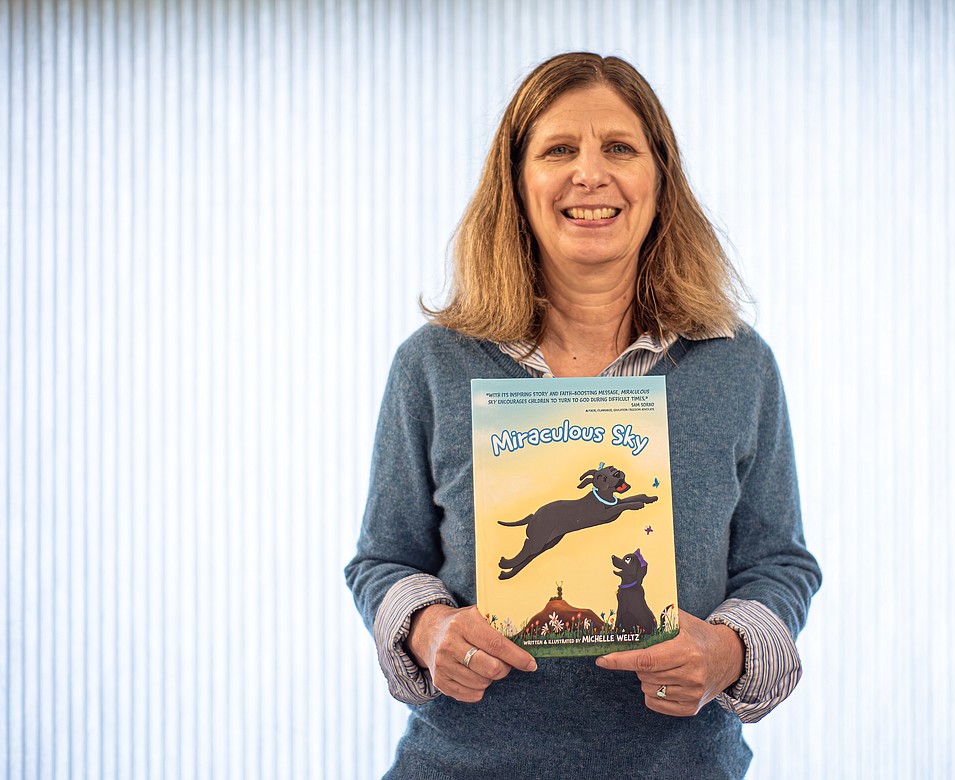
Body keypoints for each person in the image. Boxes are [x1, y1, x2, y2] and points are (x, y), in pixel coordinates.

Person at [345, 52, 821, 779]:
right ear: (517, 182)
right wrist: (426, 628)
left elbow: (778, 563)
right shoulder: (434, 364)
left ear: (660, 180)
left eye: (620, 149)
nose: (589, 175)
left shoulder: (737, 363)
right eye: (559, 149)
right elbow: (383, 559)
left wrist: (729, 652)